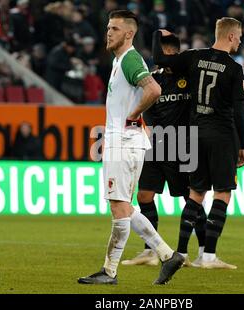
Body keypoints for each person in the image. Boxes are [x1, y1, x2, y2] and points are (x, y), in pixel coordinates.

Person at [77, 10, 184, 286]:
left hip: (123, 140)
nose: (108, 33)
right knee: (123, 205)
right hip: (126, 140)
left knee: (119, 205)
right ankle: (165, 254)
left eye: (114, 28)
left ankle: (111, 271)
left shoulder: (131, 59)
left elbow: (153, 90)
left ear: (128, 33)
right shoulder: (120, 61)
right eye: (108, 28)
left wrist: (132, 116)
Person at [152, 17, 244, 269]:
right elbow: (239, 112)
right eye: (238, 36)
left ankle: (181, 252)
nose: (240, 40)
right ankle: (208, 257)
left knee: (195, 194)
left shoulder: (193, 56)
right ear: (230, 36)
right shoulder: (235, 68)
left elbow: (160, 60)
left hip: (195, 134)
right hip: (221, 135)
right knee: (223, 193)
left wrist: (156, 36)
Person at [121, 33, 207, 268]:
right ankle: (149, 251)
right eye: (161, 54)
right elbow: (147, 107)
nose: (163, 59)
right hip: (156, 144)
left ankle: (202, 252)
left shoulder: (189, 78)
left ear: (175, 55)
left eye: (168, 54)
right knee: (144, 196)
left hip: (183, 145)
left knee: (191, 199)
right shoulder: (153, 80)